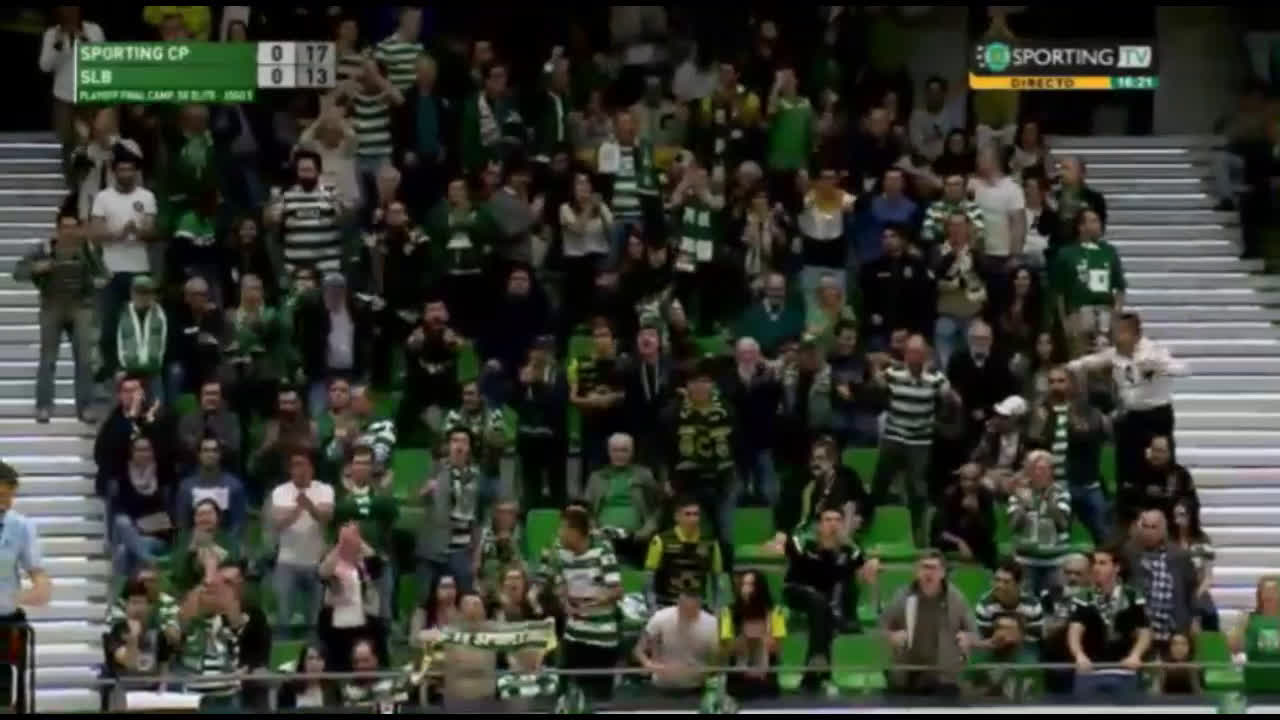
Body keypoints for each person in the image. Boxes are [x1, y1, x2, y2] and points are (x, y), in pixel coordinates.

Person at [1068, 312, 1190, 492]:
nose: (1116, 336)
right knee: (1128, 468)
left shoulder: (1154, 352)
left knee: (1159, 467)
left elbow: (1184, 369)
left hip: (1156, 416)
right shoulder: (1115, 354)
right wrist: (1071, 366)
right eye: (1115, 331)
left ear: (1135, 334)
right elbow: (1092, 361)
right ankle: (1128, 502)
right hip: (1131, 417)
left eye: (1121, 332)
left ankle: (1165, 500)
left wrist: (1159, 367)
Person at [867, 334, 961, 547]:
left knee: (918, 489)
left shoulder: (935, 377)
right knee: (880, 482)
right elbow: (876, 384)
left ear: (925, 354)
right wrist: (875, 370)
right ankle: (867, 523)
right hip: (894, 435)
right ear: (905, 354)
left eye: (918, 352)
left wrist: (943, 414)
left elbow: (953, 399)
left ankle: (918, 534)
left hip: (920, 440)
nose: (914, 356)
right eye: (910, 352)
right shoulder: (894, 373)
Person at [17, 203, 104, 423]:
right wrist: (37, 267)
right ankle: (44, 406)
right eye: (65, 227)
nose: (69, 232)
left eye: (73, 227)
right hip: (52, 306)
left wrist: (95, 283)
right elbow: (18, 272)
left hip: (80, 307)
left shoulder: (86, 250)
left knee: (84, 360)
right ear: (58, 229)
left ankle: (86, 407)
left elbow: (103, 274)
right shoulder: (45, 249)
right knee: (48, 359)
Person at [784, 507, 876, 688]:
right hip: (797, 591)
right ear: (819, 525)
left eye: (837, 520)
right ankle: (821, 660)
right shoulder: (805, 544)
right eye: (828, 520)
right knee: (820, 602)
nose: (833, 524)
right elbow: (795, 550)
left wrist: (866, 559)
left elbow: (863, 563)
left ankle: (813, 672)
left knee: (823, 605)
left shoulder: (848, 550)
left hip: (823, 601)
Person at [540, 506, 622, 701]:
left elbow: (617, 591)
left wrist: (594, 601)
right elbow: (557, 581)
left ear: (575, 532)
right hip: (573, 635)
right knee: (564, 695)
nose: (559, 533)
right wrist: (564, 601)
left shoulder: (602, 551)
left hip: (601, 638)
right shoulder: (560, 551)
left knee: (598, 700)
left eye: (563, 528)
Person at [1027, 366, 1110, 544]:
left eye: (1061, 381)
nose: (1055, 386)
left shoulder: (1087, 411)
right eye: (1051, 382)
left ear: (1072, 384)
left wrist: (1076, 421)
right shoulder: (1041, 412)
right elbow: (1034, 445)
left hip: (1086, 484)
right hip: (1054, 486)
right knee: (1056, 538)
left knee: (1103, 534)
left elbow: (1096, 436)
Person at [882, 550, 978, 696]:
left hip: (944, 677)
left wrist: (967, 638)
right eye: (924, 567)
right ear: (916, 571)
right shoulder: (901, 597)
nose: (928, 573)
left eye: (933, 568)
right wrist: (891, 636)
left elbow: (974, 633)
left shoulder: (956, 599)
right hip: (907, 674)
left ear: (943, 572)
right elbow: (881, 629)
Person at [670, 361, 736, 566]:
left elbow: (739, 444)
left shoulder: (727, 410)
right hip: (687, 482)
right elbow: (664, 448)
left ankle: (726, 575)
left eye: (705, 381)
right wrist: (667, 479)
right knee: (687, 533)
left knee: (724, 533)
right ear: (687, 386)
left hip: (722, 479)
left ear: (713, 384)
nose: (700, 386)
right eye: (694, 382)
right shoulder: (673, 412)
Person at [1067, 547, 1151, 701]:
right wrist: (1079, 655)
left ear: (1117, 567)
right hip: (1090, 670)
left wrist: (1136, 655)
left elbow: (1144, 631)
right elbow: (1074, 632)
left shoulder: (1132, 596)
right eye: (1094, 563)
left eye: (1102, 563)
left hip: (1125, 669)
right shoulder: (1083, 597)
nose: (1096, 567)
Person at [334, 444, 400, 620]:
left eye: (366, 463)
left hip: (378, 560)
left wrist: (382, 491)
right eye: (358, 463)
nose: (362, 468)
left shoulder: (382, 496)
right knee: (349, 615)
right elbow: (337, 519)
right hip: (349, 564)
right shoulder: (340, 496)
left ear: (372, 468)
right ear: (350, 467)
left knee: (382, 614)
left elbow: (392, 516)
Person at [270, 450, 334, 630]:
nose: (299, 470)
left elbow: (327, 518)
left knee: (316, 618)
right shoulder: (280, 491)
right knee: (284, 616)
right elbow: (278, 524)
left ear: (312, 468)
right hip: (287, 562)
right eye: (295, 465)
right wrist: (299, 508)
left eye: (303, 464)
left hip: (317, 562)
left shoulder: (324, 490)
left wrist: (310, 507)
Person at [1050, 207, 1126, 357]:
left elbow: (1119, 286)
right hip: (1078, 313)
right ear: (1081, 226)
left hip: (1105, 312)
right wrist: (1065, 321)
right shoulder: (1066, 254)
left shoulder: (1109, 251)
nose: (1098, 225)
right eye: (1093, 221)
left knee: (1106, 360)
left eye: (1098, 221)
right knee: (1080, 360)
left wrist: (1117, 313)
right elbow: (1059, 292)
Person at [40, 6, 105, 177]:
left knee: (89, 143)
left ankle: (88, 183)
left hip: (89, 96)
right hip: (63, 98)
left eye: (72, 8)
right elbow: (45, 67)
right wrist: (58, 44)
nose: (69, 12)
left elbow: (103, 58)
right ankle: (69, 184)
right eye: (65, 8)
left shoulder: (94, 30)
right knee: (66, 143)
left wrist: (83, 39)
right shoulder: (51, 34)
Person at [417, 428, 482, 595]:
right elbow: (416, 500)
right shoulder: (435, 469)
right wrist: (425, 491)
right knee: (424, 600)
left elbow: (477, 519)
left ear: (469, 448)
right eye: (455, 441)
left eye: (464, 442)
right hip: (433, 548)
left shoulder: (476, 476)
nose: (459, 446)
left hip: (461, 549)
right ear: (448, 446)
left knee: (466, 596)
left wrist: (476, 555)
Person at [1125, 509, 1198, 655]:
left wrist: (1193, 619)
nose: (1148, 531)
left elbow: (1190, 589)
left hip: (1173, 629)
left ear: (1163, 530)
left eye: (1153, 527)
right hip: (1140, 630)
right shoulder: (1129, 552)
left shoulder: (1180, 555)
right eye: (1145, 526)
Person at [265, 149, 347, 275]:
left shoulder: (332, 192)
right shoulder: (285, 195)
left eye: (309, 170)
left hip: (328, 267)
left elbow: (345, 220)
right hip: (296, 269)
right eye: (302, 170)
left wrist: (340, 208)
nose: (305, 175)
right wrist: (273, 212)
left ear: (318, 171)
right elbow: (269, 223)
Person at [512, 337, 569, 511]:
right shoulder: (523, 374)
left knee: (557, 490)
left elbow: (558, 405)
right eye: (536, 350)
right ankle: (529, 519)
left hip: (553, 442)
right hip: (529, 441)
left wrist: (538, 384)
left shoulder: (560, 375)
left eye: (544, 350)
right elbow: (514, 403)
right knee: (530, 491)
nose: (539, 355)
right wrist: (520, 385)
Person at [585, 433, 662, 558]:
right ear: (609, 452)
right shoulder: (596, 478)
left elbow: (657, 508)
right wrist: (595, 531)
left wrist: (646, 531)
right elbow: (587, 511)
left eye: (624, 450)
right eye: (615, 450)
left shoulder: (644, 475)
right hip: (603, 538)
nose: (619, 455)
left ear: (632, 452)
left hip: (637, 539)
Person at [109, 435, 175, 581]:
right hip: (130, 534)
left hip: (156, 537)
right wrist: (136, 527)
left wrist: (139, 525)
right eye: (138, 450)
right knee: (121, 524)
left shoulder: (162, 474)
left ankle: (119, 593)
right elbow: (118, 513)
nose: (143, 453)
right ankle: (149, 560)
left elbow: (167, 515)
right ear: (132, 452)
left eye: (146, 450)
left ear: (152, 452)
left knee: (123, 551)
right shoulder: (122, 478)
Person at [859, 226, 935, 349]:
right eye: (885, 237)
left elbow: (925, 301)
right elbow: (867, 299)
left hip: (911, 329)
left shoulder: (917, 266)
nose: (888, 240)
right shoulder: (871, 268)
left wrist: (913, 330)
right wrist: (872, 317)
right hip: (881, 329)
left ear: (903, 240)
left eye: (893, 236)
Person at [1008, 450, 1073, 597]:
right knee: (1026, 603)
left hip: (1055, 561)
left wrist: (1048, 500)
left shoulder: (1061, 492)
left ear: (1051, 471)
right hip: (1025, 562)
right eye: (1034, 468)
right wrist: (1023, 506)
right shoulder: (1018, 493)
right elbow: (1013, 525)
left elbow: (1063, 524)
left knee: (1056, 603)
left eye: (1043, 469)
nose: (1038, 473)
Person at [398, 298, 464, 439]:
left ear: (447, 314)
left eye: (440, 309)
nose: (436, 314)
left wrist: (453, 345)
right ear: (424, 316)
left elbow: (459, 347)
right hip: (420, 391)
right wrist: (415, 344)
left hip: (447, 391)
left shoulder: (453, 334)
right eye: (432, 310)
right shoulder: (417, 335)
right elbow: (410, 346)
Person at [947, 320, 1017, 450]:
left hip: (994, 415)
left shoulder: (1001, 360)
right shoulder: (957, 359)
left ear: (991, 340)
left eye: (984, 338)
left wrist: (987, 411)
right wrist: (967, 408)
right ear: (969, 339)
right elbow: (953, 388)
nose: (980, 342)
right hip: (964, 415)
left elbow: (1007, 392)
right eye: (976, 338)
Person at [634, 589, 721, 695]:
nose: (686, 614)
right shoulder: (660, 618)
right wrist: (648, 664)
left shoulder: (712, 624)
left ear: (699, 607)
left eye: (691, 610)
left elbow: (718, 659)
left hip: (696, 687)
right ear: (678, 605)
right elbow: (639, 650)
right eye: (683, 609)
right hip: (662, 685)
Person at [720, 569, 786, 700]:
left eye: (751, 585)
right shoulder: (728, 612)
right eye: (744, 584)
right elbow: (726, 649)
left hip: (765, 675)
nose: (746, 589)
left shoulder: (775, 612)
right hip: (738, 676)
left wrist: (765, 640)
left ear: (760, 588)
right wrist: (739, 642)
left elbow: (777, 649)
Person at [645, 498, 723, 609]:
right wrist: (653, 608)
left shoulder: (710, 543)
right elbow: (649, 580)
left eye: (696, 514)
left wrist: (717, 608)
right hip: (667, 605)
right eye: (687, 514)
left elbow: (717, 580)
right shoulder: (660, 541)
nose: (692, 519)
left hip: (697, 606)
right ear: (677, 517)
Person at [934, 213, 988, 370]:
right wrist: (954, 263)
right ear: (947, 228)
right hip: (946, 316)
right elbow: (934, 280)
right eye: (952, 225)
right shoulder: (938, 251)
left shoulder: (977, 253)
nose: (956, 229)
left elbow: (982, 281)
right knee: (945, 365)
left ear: (968, 228)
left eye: (960, 225)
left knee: (976, 365)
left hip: (972, 316)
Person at [104, 579, 170, 704]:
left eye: (141, 603)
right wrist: (133, 638)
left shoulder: (158, 634)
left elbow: (164, 668)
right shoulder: (116, 632)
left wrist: (161, 694)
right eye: (133, 603)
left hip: (151, 697)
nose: (138, 609)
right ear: (126, 607)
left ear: (149, 607)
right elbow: (129, 663)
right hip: (124, 696)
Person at [968, 145, 1026, 282]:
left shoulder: (1013, 189)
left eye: (982, 157)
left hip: (1001, 256)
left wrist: (1015, 256)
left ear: (993, 161)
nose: (978, 160)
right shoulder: (973, 185)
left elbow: (1018, 225)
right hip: (977, 252)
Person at [1039, 553, 1091, 695]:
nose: (1072, 578)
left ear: (1089, 575)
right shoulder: (1048, 595)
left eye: (1078, 574)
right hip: (1056, 658)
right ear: (1061, 573)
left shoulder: (1095, 597)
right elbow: (1046, 631)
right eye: (1068, 573)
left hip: (1087, 660)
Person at [175, 436, 246, 537]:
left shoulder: (234, 486)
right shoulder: (186, 487)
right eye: (206, 450)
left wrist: (227, 542)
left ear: (220, 454)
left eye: (214, 451)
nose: (210, 455)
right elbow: (183, 524)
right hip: (195, 540)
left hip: (225, 540)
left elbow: (238, 524)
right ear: (199, 455)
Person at [932, 463, 997, 569]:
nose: (969, 484)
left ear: (980, 480)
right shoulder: (950, 495)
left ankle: (991, 575)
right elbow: (941, 531)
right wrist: (959, 542)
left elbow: (991, 529)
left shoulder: (986, 495)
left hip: (975, 538)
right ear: (960, 480)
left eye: (973, 480)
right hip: (951, 539)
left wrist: (976, 513)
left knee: (991, 547)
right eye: (965, 479)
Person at [114, 275, 168, 401]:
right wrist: (117, 368)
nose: (143, 296)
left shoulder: (162, 314)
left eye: (147, 292)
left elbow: (167, 343)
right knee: (129, 408)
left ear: (153, 294)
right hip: (127, 371)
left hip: (154, 371)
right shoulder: (121, 313)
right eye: (139, 292)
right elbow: (110, 341)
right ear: (132, 293)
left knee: (156, 407)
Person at [966, 613, 1041, 700]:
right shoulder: (979, 658)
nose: (1002, 634)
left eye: (1009, 630)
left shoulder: (1030, 663)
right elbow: (964, 691)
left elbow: (1032, 697)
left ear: (1021, 635)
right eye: (999, 628)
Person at [1170, 498, 1218, 632]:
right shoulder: (1171, 541)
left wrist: (1196, 595)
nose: (1177, 520)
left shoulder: (1203, 540)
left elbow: (1208, 576)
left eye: (1182, 515)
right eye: (1175, 515)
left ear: (1191, 516)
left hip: (1197, 593)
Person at [967, 395, 1030, 495]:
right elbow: (974, 458)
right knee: (985, 485)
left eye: (1004, 417)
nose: (998, 419)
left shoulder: (1023, 437)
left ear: (1016, 419)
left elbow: (1024, 463)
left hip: (1010, 476)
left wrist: (1017, 476)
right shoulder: (988, 431)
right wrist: (987, 438)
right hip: (988, 473)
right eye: (998, 415)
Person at [733, 272, 805, 358]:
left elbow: (798, 341)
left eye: (780, 289)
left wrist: (789, 353)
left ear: (785, 290)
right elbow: (743, 347)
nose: (776, 293)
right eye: (772, 289)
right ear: (766, 290)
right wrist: (766, 362)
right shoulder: (750, 315)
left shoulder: (794, 315)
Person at [1229, 576, 1280, 696]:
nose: (1269, 594)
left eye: (1273, 590)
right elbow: (1234, 648)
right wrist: (1240, 627)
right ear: (1259, 594)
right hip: (1255, 684)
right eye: (1265, 590)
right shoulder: (1249, 619)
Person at [176, 380, 241, 473]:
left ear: (221, 398)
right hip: (194, 470)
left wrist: (214, 427)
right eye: (207, 394)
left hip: (224, 469)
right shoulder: (187, 420)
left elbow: (234, 446)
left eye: (215, 394)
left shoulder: (231, 419)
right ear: (200, 398)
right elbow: (185, 448)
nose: (211, 398)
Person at [1130, 436, 1196, 527]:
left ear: (1170, 453)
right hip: (1149, 524)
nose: (1156, 455)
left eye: (1160, 451)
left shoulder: (1181, 474)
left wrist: (1182, 506)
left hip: (1174, 525)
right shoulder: (1142, 472)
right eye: (1153, 450)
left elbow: (1191, 501)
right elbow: (1133, 502)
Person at [975, 559, 1045, 644]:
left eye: (1006, 582)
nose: (999, 585)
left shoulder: (1033, 606)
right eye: (997, 580)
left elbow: (1035, 640)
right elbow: (984, 639)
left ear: (1019, 584)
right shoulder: (985, 605)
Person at [921, 173, 986, 258]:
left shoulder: (973, 208)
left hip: (967, 251)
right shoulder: (934, 208)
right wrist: (943, 228)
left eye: (956, 184)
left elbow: (980, 235)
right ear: (944, 188)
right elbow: (926, 234)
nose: (952, 188)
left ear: (964, 188)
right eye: (948, 185)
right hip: (942, 252)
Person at [1053, 156, 1108, 247]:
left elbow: (1101, 229)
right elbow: (1043, 229)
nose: (1061, 173)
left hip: (1085, 250)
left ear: (1081, 173)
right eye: (1060, 169)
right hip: (1058, 249)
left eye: (1066, 169)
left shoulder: (1095, 198)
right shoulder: (1053, 197)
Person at [277, 643, 341, 709]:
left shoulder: (332, 688)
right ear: (303, 662)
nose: (314, 663)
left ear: (325, 663)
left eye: (319, 659)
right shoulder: (288, 689)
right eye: (310, 658)